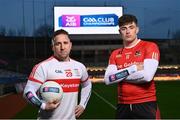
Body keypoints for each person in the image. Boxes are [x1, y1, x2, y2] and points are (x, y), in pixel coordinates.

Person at [23, 29, 92, 119]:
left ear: (70, 45)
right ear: (52, 47)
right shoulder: (43, 67)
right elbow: (28, 92)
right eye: (58, 44)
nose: (62, 47)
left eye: (65, 43)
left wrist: (83, 104)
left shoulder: (79, 67)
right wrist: (42, 105)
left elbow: (87, 85)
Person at [104, 14, 161, 119]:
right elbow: (108, 79)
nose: (128, 31)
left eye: (131, 27)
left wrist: (118, 76)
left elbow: (147, 76)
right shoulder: (115, 54)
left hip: (146, 104)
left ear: (137, 29)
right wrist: (132, 69)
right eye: (124, 28)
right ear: (119, 32)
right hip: (123, 106)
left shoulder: (149, 46)